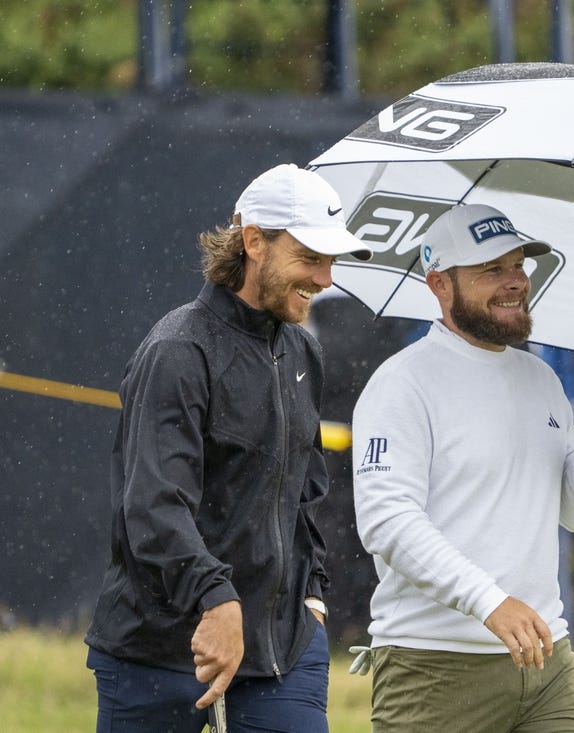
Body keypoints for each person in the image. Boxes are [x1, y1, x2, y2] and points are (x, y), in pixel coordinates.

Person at [84, 163, 372, 732]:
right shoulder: (177, 351)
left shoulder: (303, 354)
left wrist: (311, 597)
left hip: (282, 659)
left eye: (332, 260)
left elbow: (307, 492)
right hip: (159, 659)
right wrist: (216, 599)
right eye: (311, 258)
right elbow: (152, 505)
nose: (327, 279)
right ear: (254, 241)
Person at [350, 203, 574, 732]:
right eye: (491, 270)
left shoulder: (542, 378)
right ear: (440, 286)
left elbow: (572, 510)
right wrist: (491, 602)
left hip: (546, 660)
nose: (515, 283)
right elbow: (387, 522)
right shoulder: (402, 383)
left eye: (519, 266)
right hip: (432, 668)